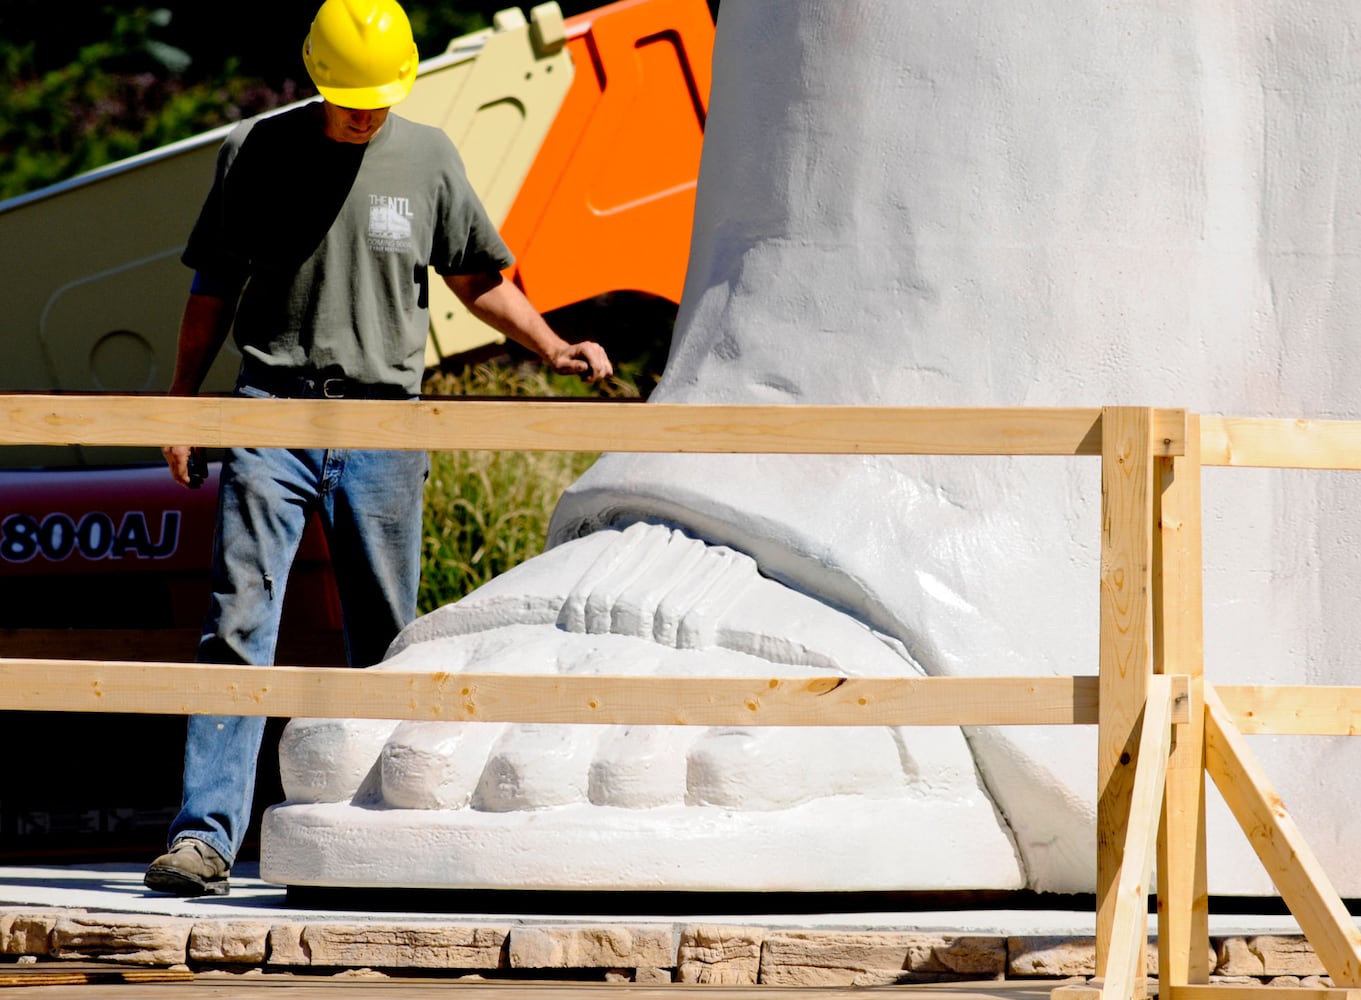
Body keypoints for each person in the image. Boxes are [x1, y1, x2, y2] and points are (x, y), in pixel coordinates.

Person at [143, 0, 613, 897]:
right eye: (349, 96)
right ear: (317, 76)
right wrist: (181, 404)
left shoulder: (427, 156)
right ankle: (204, 838)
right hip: (270, 415)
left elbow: (477, 279)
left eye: (377, 97)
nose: (364, 113)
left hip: (384, 426)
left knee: (388, 637)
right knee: (238, 628)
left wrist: (552, 347)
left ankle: (384, 833)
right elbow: (214, 287)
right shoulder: (255, 153)